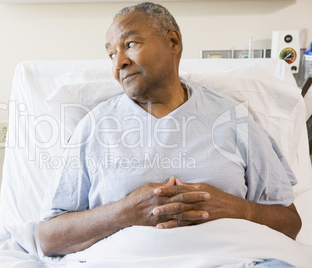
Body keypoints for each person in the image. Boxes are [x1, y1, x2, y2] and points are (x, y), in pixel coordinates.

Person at [37, 1, 302, 264]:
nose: (119, 63)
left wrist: (235, 209)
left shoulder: (234, 119)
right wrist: (125, 213)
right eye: (111, 54)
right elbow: (49, 238)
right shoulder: (94, 127)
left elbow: (290, 223)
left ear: (173, 42)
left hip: (230, 260)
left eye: (130, 44)